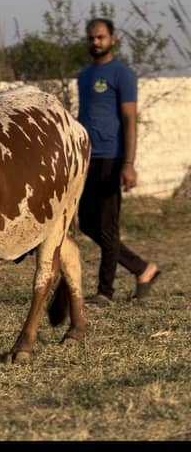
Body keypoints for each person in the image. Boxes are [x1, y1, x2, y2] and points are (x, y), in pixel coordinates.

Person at [77, 17, 160, 306]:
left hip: (113, 158)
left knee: (108, 225)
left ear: (112, 39)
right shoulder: (84, 75)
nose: (95, 42)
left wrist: (129, 163)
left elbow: (129, 119)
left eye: (100, 37)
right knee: (87, 222)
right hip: (87, 158)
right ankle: (142, 268)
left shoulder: (122, 73)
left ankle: (104, 292)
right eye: (91, 38)